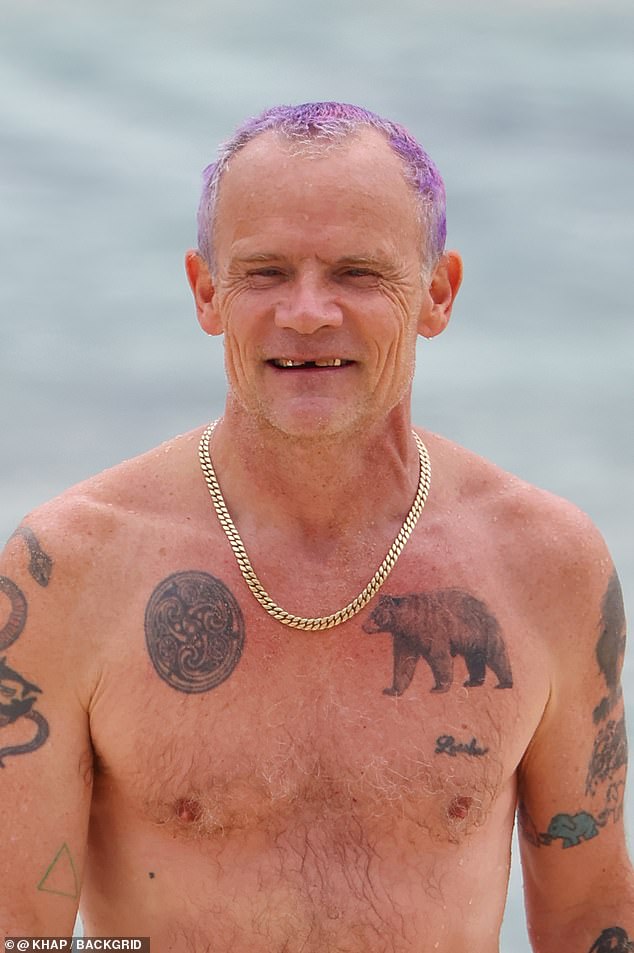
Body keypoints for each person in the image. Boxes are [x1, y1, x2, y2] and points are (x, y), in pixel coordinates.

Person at [0, 101, 632, 952]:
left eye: (357, 273)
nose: (306, 312)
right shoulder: (68, 570)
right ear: (206, 292)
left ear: (437, 293)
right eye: (264, 273)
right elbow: (20, 933)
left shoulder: (546, 565)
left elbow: (590, 912)